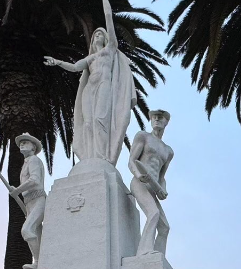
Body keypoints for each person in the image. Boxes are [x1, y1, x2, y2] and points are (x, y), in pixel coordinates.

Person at [43, 0, 135, 166]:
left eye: (100, 34)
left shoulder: (110, 50)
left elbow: (109, 20)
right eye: (95, 35)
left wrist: (105, 3)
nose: (97, 36)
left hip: (104, 85)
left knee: (100, 119)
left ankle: (103, 157)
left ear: (106, 38)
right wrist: (57, 62)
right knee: (88, 123)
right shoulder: (90, 58)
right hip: (90, 89)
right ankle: (89, 157)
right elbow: (74, 67)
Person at [128, 110, 173, 255]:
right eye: (154, 117)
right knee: (153, 213)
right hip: (139, 183)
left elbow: (161, 177)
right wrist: (139, 175)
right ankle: (144, 251)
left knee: (164, 227)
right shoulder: (143, 136)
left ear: (166, 122)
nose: (157, 119)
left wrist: (163, 189)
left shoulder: (168, 151)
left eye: (160, 117)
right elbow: (131, 161)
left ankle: (158, 257)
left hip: (154, 188)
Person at [10, 133, 46, 269]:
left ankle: (37, 262)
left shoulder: (34, 160)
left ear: (33, 147)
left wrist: (17, 190)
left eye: (25, 142)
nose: (22, 144)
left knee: (27, 229)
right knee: (37, 234)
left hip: (38, 200)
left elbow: (35, 180)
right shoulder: (26, 163)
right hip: (29, 202)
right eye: (20, 143)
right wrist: (18, 190)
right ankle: (39, 261)